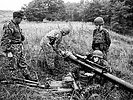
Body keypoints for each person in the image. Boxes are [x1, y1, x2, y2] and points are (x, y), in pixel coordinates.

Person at [0, 11, 35, 81]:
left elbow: (18, 35)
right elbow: (5, 40)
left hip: (19, 47)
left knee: (23, 63)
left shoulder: (16, 25)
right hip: (12, 48)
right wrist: (8, 51)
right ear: (16, 18)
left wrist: (21, 37)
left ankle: (27, 76)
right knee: (12, 65)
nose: (21, 20)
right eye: (20, 19)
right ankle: (12, 80)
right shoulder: (8, 25)